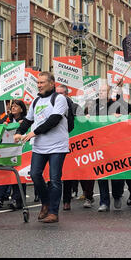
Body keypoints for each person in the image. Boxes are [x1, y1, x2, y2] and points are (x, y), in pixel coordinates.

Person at [14, 72, 69, 223]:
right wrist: (19, 132)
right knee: (35, 174)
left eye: (42, 82)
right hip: (39, 146)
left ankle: (53, 213)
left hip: (57, 146)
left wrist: (34, 132)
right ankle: (46, 202)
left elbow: (54, 120)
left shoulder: (60, 99)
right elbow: (28, 120)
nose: (39, 85)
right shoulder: (36, 101)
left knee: (55, 179)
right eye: (37, 83)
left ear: (52, 83)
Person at [85, 83, 125, 212]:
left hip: (115, 144)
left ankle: (117, 195)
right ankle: (104, 202)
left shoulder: (116, 105)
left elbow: (125, 113)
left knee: (117, 174)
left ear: (109, 93)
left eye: (104, 91)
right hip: (99, 145)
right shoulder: (94, 106)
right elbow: (86, 122)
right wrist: (86, 118)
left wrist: (120, 116)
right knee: (102, 174)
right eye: (100, 91)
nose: (101, 93)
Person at [56, 84, 81, 211]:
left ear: (66, 94)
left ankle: (66, 200)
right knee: (54, 173)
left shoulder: (75, 107)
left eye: (61, 93)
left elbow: (80, 121)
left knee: (68, 172)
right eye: (57, 93)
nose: (58, 96)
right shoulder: (52, 105)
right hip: (55, 143)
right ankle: (52, 200)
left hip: (71, 143)